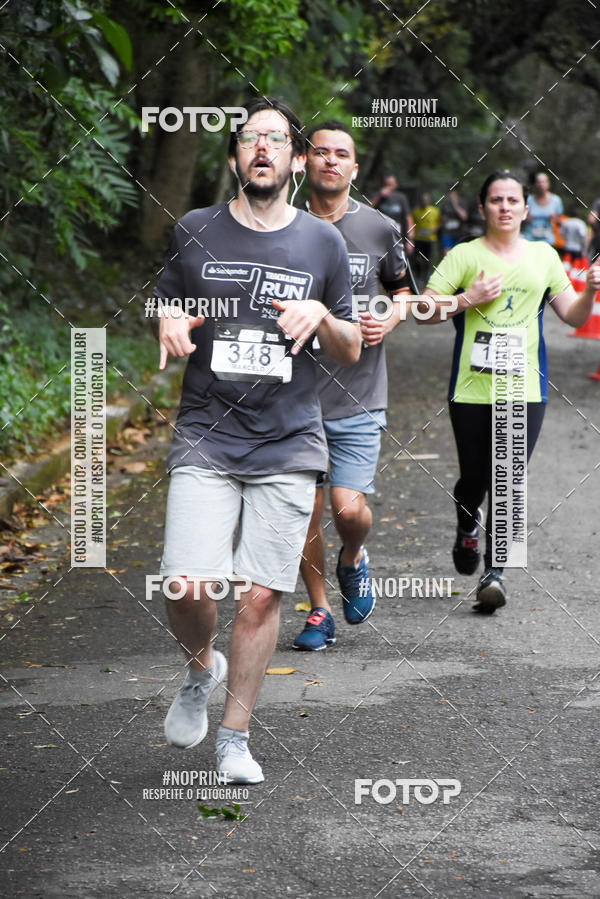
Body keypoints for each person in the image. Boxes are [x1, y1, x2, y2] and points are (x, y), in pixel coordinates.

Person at [154, 97, 360, 783]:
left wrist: (321, 314)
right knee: (185, 583)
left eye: (277, 140)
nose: (263, 149)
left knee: (263, 594)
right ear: (235, 156)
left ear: (298, 160)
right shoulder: (194, 230)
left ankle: (234, 738)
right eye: (251, 139)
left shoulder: (321, 243)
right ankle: (197, 668)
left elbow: (353, 345)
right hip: (207, 435)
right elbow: (169, 301)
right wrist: (169, 320)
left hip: (289, 439)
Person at [419, 170, 600, 613]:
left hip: (525, 388)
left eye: (512, 200)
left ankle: (494, 572)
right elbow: (423, 310)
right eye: (495, 199)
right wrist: (467, 298)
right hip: (471, 389)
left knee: (509, 479)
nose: (504, 206)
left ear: (525, 208)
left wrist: (590, 291)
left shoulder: (543, 256)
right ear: (482, 208)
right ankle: (467, 524)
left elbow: (573, 319)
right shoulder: (463, 255)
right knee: (476, 478)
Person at [292, 121, 406, 651]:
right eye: (321, 152)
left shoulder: (379, 227)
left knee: (348, 509)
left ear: (355, 169)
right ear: (304, 162)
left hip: (359, 391)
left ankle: (352, 556)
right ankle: (318, 612)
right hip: (292, 396)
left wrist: (389, 316)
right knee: (305, 512)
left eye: (342, 154)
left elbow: (403, 291)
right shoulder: (282, 226)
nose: (331, 161)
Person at [370, 174, 414, 254]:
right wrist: (379, 196)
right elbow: (368, 210)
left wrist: (410, 239)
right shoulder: (378, 197)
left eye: (391, 185)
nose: (388, 188)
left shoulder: (401, 198)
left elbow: (408, 219)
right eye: (386, 185)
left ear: (395, 185)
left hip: (397, 235)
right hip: (380, 235)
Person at [523, 171, 563, 246]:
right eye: (538, 182)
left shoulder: (556, 200)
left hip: (548, 240)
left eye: (543, 182)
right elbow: (520, 219)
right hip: (530, 239)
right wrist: (526, 218)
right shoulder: (529, 200)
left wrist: (554, 219)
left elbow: (560, 222)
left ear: (548, 184)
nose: (541, 185)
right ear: (535, 184)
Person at [411, 192, 441, 287]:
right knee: (417, 258)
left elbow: (439, 221)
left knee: (427, 259)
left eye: (426, 200)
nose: (424, 202)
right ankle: (419, 276)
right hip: (418, 238)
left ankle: (427, 275)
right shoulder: (415, 211)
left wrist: (436, 228)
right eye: (423, 200)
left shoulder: (434, 211)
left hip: (430, 239)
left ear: (429, 201)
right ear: (420, 201)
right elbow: (412, 223)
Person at [440, 189, 468, 255]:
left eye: (454, 194)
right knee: (447, 254)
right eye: (451, 194)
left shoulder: (462, 203)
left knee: (457, 254)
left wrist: (455, 205)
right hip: (447, 233)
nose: (452, 197)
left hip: (458, 233)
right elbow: (441, 218)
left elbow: (464, 217)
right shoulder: (445, 204)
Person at [587, 197, 600, 262]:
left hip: (597, 240)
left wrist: (595, 229)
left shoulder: (598, 203)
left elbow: (591, 220)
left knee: (595, 263)